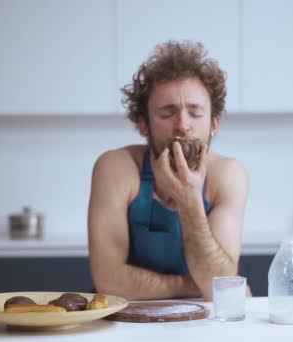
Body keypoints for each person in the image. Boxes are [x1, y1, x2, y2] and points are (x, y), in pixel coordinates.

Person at [88, 40, 249, 301]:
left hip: (200, 323)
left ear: (214, 124)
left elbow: (219, 284)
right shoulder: (115, 168)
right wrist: (197, 286)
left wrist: (189, 198)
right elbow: (109, 281)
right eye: (167, 113)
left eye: (195, 113)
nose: (183, 125)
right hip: (123, 322)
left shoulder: (228, 175)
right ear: (143, 125)